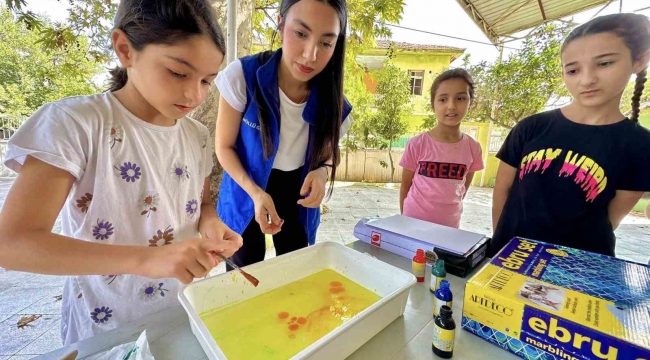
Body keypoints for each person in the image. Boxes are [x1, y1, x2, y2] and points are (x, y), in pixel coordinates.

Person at [0, 0, 242, 345]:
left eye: (207, 80)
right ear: (125, 49)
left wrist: (212, 226)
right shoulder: (75, 124)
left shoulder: (196, 136)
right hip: (106, 326)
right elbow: (11, 243)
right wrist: (147, 259)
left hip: (184, 313)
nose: (194, 94)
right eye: (178, 72)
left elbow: (200, 206)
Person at [491, 13, 650, 258]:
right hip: (513, 258)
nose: (587, 79)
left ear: (639, 60)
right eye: (573, 70)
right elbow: (502, 192)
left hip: (579, 269)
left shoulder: (640, 145)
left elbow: (609, 219)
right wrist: (501, 247)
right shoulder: (531, 127)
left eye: (604, 63)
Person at [214, 0, 352, 268]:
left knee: (295, 273)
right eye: (300, 34)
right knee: (243, 276)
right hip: (246, 187)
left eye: (326, 43)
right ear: (280, 23)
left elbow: (327, 158)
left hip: (297, 193)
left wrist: (323, 173)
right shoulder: (242, 77)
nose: (310, 55)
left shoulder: (335, 105)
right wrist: (256, 194)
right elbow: (224, 147)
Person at [399, 69, 484, 229]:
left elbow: (463, 189)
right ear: (433, 104)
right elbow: (405, 186)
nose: (451, 106)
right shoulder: (417, 144)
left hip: (449, 228)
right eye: (443, 99)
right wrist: (405, 220)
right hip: (413, 224)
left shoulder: (473, 148)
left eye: (460, 98)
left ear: (469, 102)